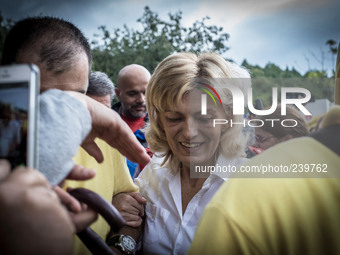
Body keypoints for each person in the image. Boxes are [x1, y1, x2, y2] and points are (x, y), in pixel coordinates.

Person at [1, 16, 150, 255]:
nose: (62, 115)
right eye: (43, 100)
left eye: (76, 101)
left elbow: (127, 196)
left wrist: (121, 245)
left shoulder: (105, 135)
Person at [188, 45, 340, 255]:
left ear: (287, 140)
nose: (252, 145)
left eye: (259, 139)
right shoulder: (158, 170)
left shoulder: (249, 186)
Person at [108, 52, 251, 255]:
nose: (189, 132)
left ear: (228, 117)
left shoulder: (252, 186)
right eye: (175, 118)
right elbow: (132, 219)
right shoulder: (155, 170)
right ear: (159, 120)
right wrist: (122, 211)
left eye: (204, 117)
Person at [113, 64, 151, 177]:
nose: (141, 100)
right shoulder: (104, 127)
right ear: (118, 94)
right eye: (132, 94)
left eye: (145, 92)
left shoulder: (163, 126)